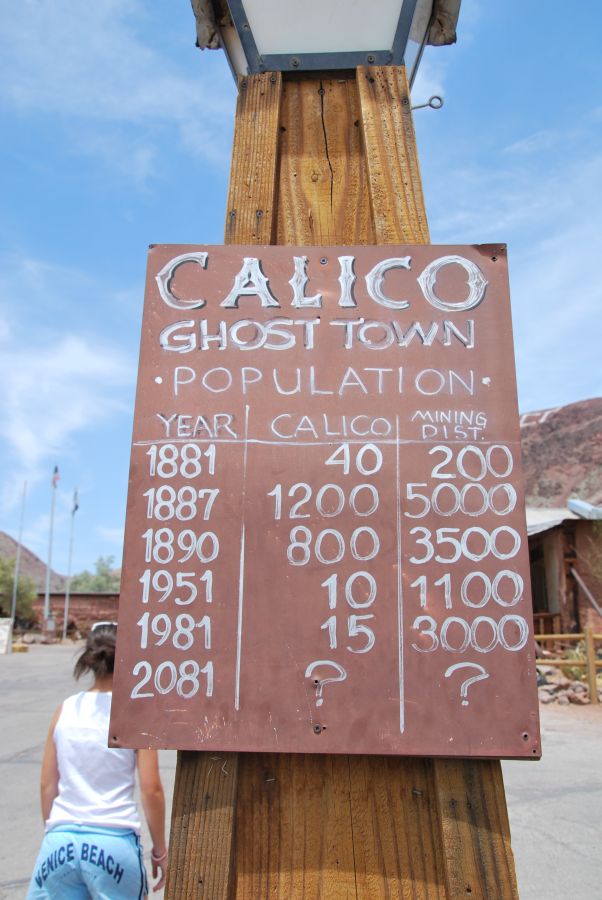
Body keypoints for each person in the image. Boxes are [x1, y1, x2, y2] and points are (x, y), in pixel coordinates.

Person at [27, 622, 168, 898]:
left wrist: (54, 833)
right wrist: (160, 850)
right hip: (112, 840)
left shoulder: (64, 710)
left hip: (60, 839)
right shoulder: (134, 714)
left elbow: (47, 785)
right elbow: (151, 789)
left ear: (89, 658)